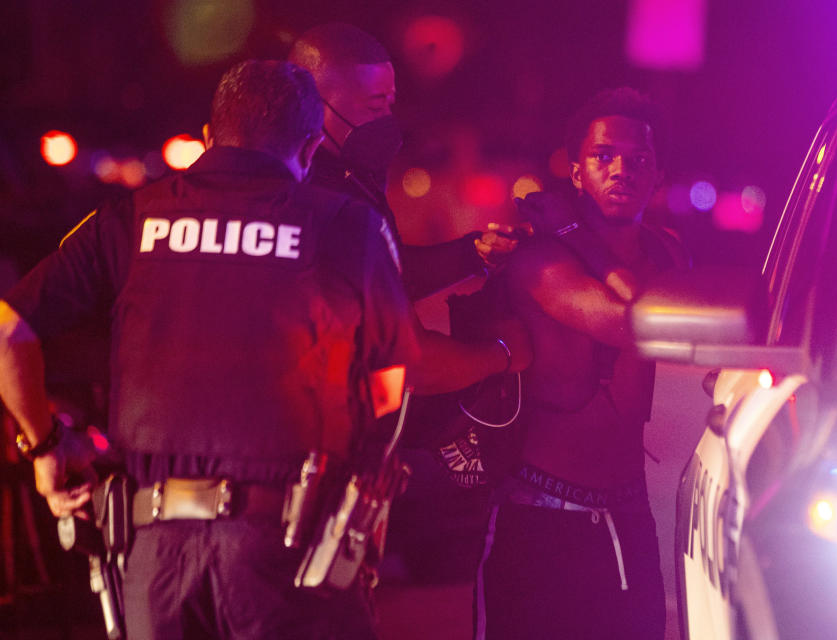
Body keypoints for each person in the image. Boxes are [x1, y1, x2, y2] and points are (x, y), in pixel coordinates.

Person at [0, 59, 418, 640]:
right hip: (293, 556)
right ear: (312, 145)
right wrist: (367, 474)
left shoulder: (129, 218)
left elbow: (7, 329)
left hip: (155, 559)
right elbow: (392, 377)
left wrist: (43, 443)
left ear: (207, 137)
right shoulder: (349, 227)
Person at [473, 88, 688, 640]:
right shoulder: (542, 258)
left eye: (638, 160)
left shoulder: (667, 254)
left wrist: (581, 236)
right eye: (603, 156)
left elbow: (688, 330)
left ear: (659, 174)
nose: (621, 170)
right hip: (541, 520)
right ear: (575, 171)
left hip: (629, 515)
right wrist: (573, 238)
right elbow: (633, 323)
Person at [288, 23, 531, 396]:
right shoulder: (311, 195)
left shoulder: (347, 175)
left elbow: (387, 271)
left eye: (390, 102)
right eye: (375, 105)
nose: (388, 118)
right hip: (314, 424)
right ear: (317, 105)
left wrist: (473, 253)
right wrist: (505, 354)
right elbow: (416, 364)